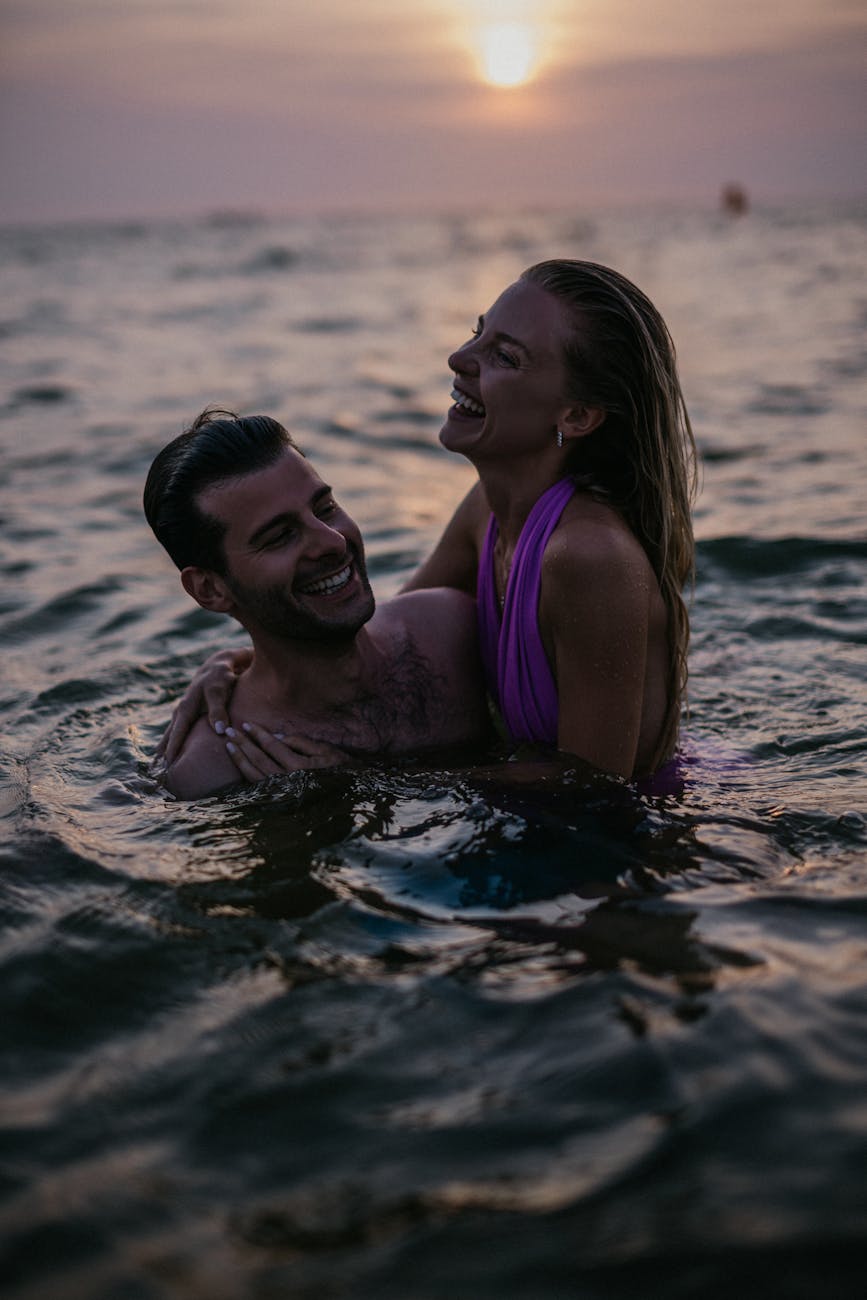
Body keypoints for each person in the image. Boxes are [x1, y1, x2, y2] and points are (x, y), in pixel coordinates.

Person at [161, 259, 697, 783]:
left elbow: (595, 785)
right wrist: (238, 667)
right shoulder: (490, 510)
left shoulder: (589, 556)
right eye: (477, 334)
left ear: (577, 416)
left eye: (505, 356)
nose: (459, 357)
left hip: (640, 844)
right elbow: (360, 630)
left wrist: (364, 778)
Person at [144, 409, 489, 799]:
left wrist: (364, 784)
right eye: (280, 536)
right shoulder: (214, 769)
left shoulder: (451, 632)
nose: (332, 541)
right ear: (209, 589)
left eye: (325, 509)